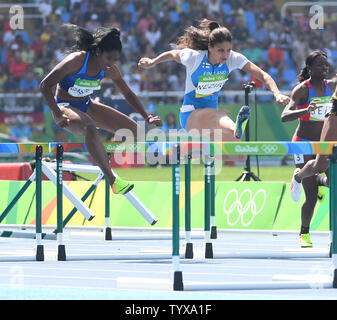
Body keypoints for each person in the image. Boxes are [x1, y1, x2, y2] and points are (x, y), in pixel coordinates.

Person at [138, 19, 289, 157]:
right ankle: (235, 126)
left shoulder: (233, 59)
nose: (226, 54)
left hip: (211, 124)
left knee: (238, 150)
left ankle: (235, 132)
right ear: (210, 47)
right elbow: (172, 54)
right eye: (221, 50)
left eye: (229, 50)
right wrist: (152, 62)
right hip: (190, 117)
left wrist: (277, 94)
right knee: (217, 115)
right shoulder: (194, 57)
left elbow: (263, 75)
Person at [40, 24, 162, 195]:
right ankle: (112, 180)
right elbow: (45, 85)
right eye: (109, 58)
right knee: (89, 125)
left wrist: (147, 117)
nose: (111, 64)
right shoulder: (76, 61)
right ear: (98, 52)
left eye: (115, 60)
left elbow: (127, 93)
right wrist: (57, 114)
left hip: (87, 105)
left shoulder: (109, 69)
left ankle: (100, 153)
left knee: (134, 131)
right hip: (64, 106)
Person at [281, 51, 335, 247]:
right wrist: (306, 110)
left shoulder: (332, 87)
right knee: (311, 196)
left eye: (326, 64)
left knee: (334, 184)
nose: (324, 67)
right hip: (303, 142)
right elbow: (285, 115)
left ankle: (314, 177)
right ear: (310, 68)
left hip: (324, 143)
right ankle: (304, 233)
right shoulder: (302, 90)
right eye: (320, 64)